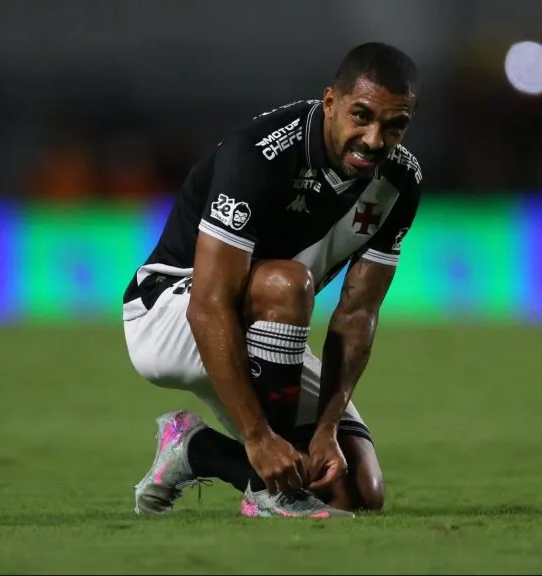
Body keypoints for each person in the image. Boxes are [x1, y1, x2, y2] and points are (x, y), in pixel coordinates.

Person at [122, 42, 422, 519]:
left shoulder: (400, 183)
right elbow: (209, 304)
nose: (374, 138)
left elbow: (358, 312)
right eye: (361, 116)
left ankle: (193, 449)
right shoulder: (260, 155)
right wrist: (260, 438)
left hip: (268, 327)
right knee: (287, 284)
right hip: (170, 314)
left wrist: (326, 428)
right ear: (330, 102)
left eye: (394, 125)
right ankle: (268, 489)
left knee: (357, 493)